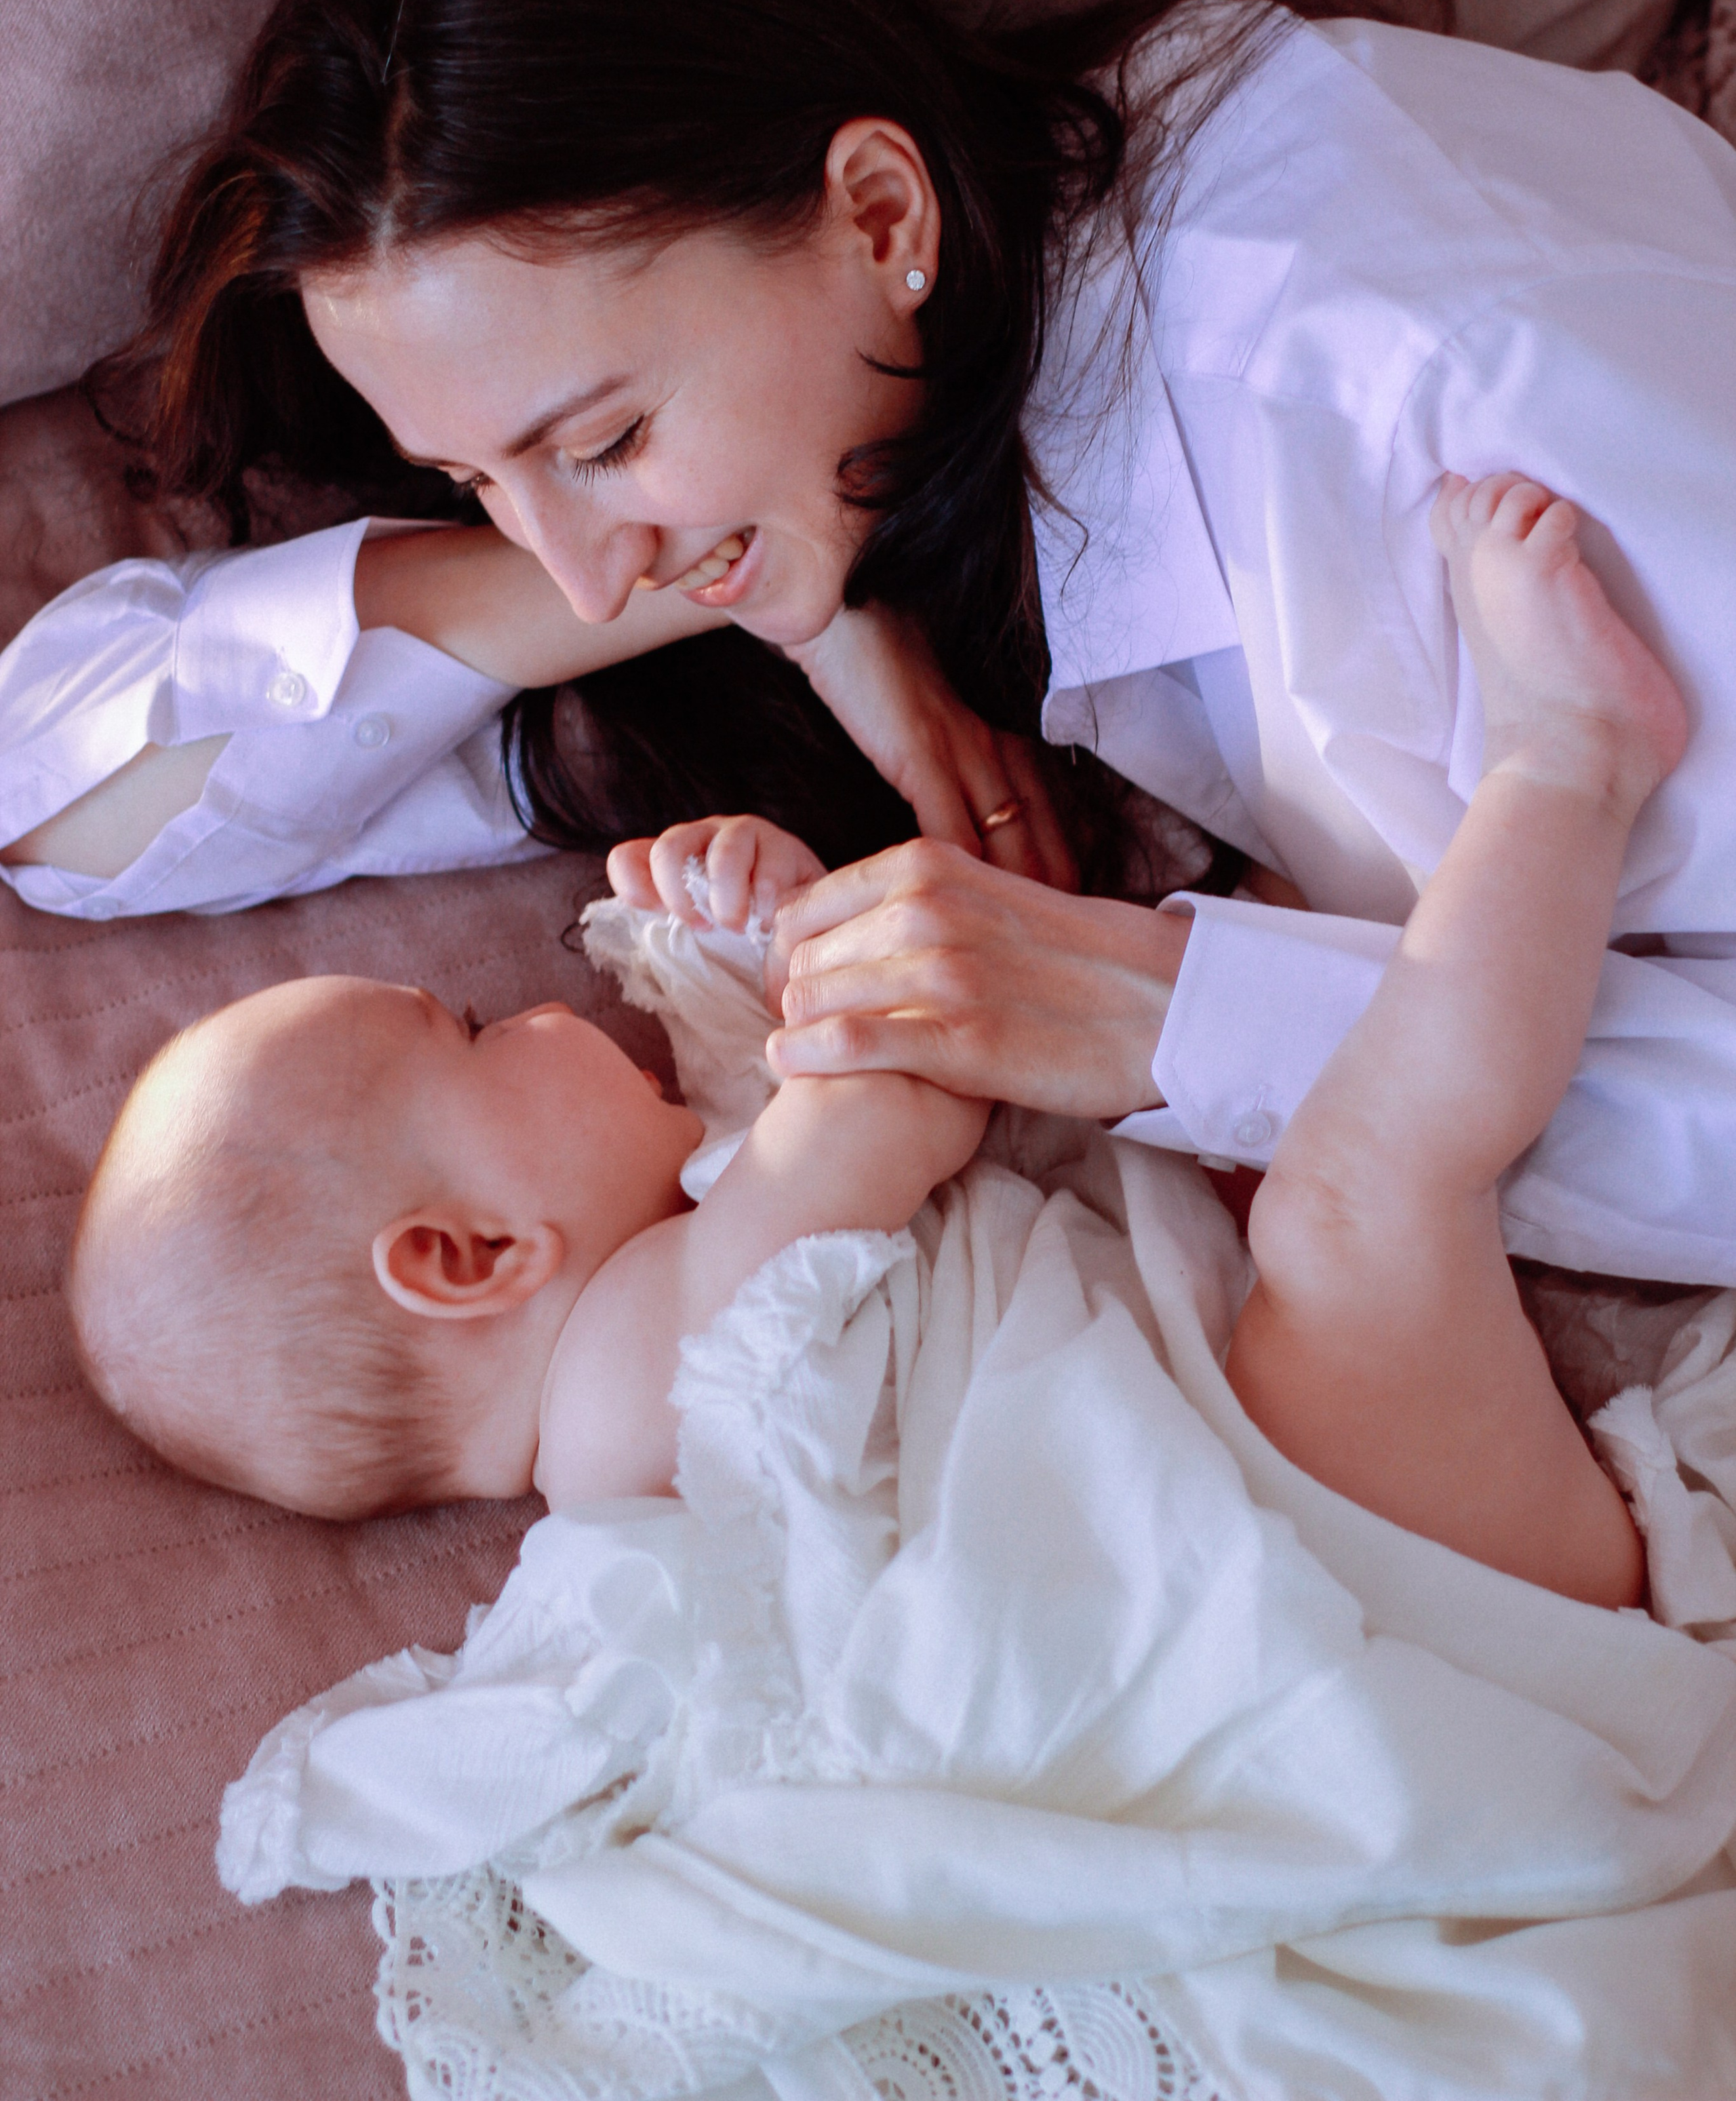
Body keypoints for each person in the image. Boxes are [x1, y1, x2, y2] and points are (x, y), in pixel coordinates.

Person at [9, 0, 1736, 1281]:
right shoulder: (877, 437)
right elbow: (59, 806)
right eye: (471, 480)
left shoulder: (1424, 409)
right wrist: (789, 598)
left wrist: (1170, 1018)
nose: (582, 570)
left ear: (879, 216)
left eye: (602, 439)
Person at [68, 472, 1663, 1611]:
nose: (551, 1008)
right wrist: (797, 946)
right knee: (1356, 1189)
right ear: (469, 1256)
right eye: (477, 1036)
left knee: (1316, 1121)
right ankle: (1570, 763)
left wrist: (755, 918)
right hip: (1377, 1560)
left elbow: (789, 1145)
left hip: (1345, 1500)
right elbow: (890, 1109)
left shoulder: (663, 1299)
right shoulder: (622, 1396)